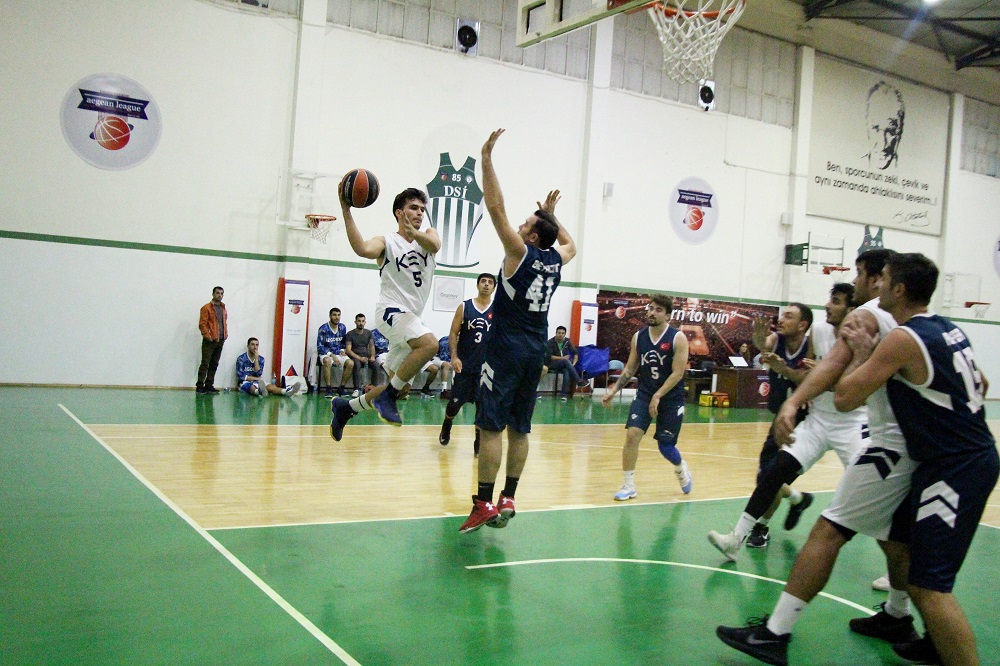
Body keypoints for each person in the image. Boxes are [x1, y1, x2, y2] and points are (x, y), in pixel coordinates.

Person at [716, 249, 920, 666]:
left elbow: (842, 390)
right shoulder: (905, 325)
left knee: (837, 531)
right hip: (829, 423)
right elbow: (817, 368)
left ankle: (776, 633)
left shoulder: (871, 320)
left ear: (880, 281)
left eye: (859, 274)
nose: (848, 286)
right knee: (777, 473)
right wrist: (796, 396)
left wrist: (800, 396)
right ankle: (898, 614)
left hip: (866, 430)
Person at [834, 253, 996, 666]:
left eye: (883, 279)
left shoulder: (903, 338)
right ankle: (934, 641)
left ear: (899, 289)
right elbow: (981, 382)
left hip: (957, 467)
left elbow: (845, 397)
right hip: (952, 459)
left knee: (929, 586)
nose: (876, 285)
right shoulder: (948, 327)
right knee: (907, 552)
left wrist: (863, 354)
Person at [459, 128, 576, 533]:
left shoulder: (518, 252)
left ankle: (483, 503)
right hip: (535, 351)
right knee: (520, 428)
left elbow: (495, 206)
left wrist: (486, 159)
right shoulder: (556, 260)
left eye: (527, 223)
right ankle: (509, 495)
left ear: (531, 236)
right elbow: (571, 245)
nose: (521, 224)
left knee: (490, 426)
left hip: (506, 348)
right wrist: (552, 216)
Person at [708, 283, 864, 562]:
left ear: (851, 309)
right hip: (818, 419)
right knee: (773, 472)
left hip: (852, 423)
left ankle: (901, 568)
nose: (827, 305)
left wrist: (824, 376)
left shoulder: (866, 339)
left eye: (836, 301)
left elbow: (853, 388)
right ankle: (736, 539)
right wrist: (789, 378)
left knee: (872, 487)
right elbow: (807, 377)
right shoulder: (820, 332)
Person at [328, 185, 441, 441]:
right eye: (413, 208)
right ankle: (386, 397)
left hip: (410, 319)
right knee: (430, 344)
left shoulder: (428, 236)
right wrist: (346, 210)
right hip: (391, 310)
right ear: (399, 213)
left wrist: (414, 233)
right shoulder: (387, 241)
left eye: (422, 209)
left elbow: (435, 244)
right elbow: (362, 249)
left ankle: (346, 408)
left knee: (401, 388)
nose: (419, 213)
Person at [601, 294, 692, 501]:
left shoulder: (678, 338)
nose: (652, 312)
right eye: (651, 308)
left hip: (671, 398)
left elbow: (678, 373)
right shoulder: (639, 337)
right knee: (632, 435)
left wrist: (658, 395)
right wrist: (613, 391)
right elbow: (630, 368)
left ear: (668, 315)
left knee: (665, 446)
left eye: (658, 310)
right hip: (645, 394)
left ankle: (680, 468)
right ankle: (628, 485)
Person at [739, 302, 815, 548]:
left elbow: (808, 379)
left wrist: (784, 369)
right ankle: (798, 499)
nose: (781, 320)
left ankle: (761, 528)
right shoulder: (777, 340)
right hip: (781, 418)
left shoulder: (811, 346)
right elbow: (764, 343)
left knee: (770, 477)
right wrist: (759, 338)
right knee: (766, 476)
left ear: (802, 325)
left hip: (806, 423)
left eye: (789, 317)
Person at [438, 272, 496, 452]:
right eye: (483, 281)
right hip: (464, 364)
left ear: (494, 287)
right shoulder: (464, 306)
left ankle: (478, 440)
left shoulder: (498, 310)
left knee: (482, 406)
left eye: (490, 282)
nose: (486, 284)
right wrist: (454, 357)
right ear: (478, 285)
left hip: (486, 367)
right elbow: (453, 333)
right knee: (454, 404)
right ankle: (447, 423)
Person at [236, 338, 300, 397]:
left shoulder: (261, 359)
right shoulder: (241, 359)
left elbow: (258, 374)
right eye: (252, 344)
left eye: (257, 345)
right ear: (248, 346)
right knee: (252, 387)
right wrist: (256, 378)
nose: (255, 347)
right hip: (244, 382)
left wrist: (256, 360)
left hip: (257, 382)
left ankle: (287, 391)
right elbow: (241, 376)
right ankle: (258, 392)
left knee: (271, 386)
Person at [539, 325, 588, 400]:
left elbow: (575, 352)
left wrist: (573, 363)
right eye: (559, 333)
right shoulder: (550, 342)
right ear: (556, 333)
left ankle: (563, 395)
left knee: (567, 370)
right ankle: (578, 381)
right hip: (551, 364)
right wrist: (562, 358)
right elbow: (550, 356)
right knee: (565, 361)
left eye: (562, 333)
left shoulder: (567, 341)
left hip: (563, 364)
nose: (561, 335)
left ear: (565, 334)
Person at [196, 286, 228, 394]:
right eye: (217, 293)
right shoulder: (206, 308)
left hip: (220, 340)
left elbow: (224, 322)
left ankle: (209, 384)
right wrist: (208, 336)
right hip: (209, 341)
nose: (219, 295)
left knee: (214, 363)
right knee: (205, 363)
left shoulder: (223, 308)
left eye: (221, 293)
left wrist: (225, 334)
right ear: (213, 294)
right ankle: (200, 385)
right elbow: (202, 324)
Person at [317, 308, 354, 398]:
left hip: (338, 353)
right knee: (327, 361)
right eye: (334, 315)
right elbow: (320, 347)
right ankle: (328, 388)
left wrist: (343, 350)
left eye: (338, 315)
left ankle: (341, 388)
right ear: (330, 316)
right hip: (326, 353)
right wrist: (332, 355)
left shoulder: (342, 327)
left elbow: (343, 343)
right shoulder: (323, 328)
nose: (337, 317)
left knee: (350, 363)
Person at [344, 313, 375, 395]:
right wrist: (360, 358)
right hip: (355, 356)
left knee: (376, 365)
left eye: (363, 321)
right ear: (355, 322)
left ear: (365, 322)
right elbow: (348, 350)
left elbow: (372, 346)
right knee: (356, 364)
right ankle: (356, 389)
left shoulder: (369, 333)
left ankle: (373, 388)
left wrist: (372, 356)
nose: (361, 323)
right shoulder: (350, 334)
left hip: (366, 356)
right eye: (359, 321)